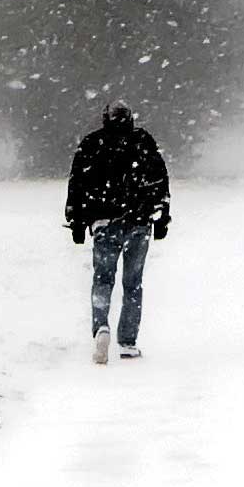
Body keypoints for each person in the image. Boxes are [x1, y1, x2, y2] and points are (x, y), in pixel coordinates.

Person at [64, 102, 170, 363]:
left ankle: (101, 326)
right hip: (139, 222)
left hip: (104, 222)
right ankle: (128, 342)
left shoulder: (92, 144)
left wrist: (76, 220)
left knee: (102, 280)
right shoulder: (143, 142)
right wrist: (161, 217)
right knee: (133, 283)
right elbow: (159, 181)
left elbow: (77, 184)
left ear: (105, 120)